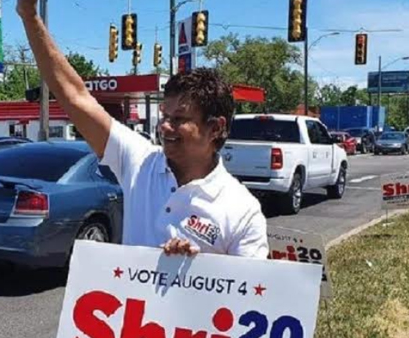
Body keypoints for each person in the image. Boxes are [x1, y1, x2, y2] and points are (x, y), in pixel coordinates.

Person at [17, 0, 268, 258]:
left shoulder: (242, 212)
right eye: (164, 115)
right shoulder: (140, 162)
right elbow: (73, 95)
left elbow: (251, 293)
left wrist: (198, 269)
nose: (165, 126)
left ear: (215, 128)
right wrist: (29, 16)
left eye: (179, 118)